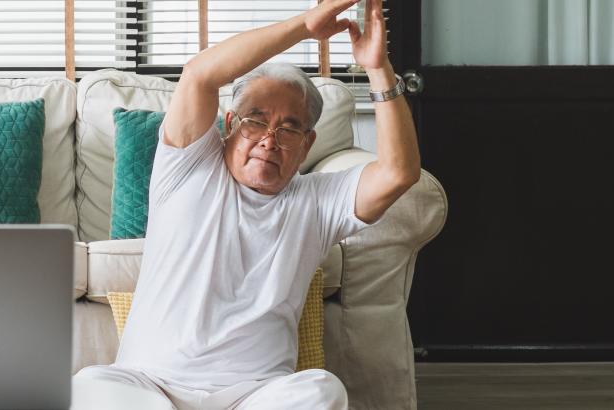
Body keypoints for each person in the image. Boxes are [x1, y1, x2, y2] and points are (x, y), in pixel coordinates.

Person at [74, 0, 419, 408]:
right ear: (230, 124)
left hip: (257, 395)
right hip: (150, 388)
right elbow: (200, 73)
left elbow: (399, 173)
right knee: (91, 384)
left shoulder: (319, 201)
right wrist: (306, 26)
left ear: (307, 143)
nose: (269, 140)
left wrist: (378, 68)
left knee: (321, 390)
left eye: (289, 129)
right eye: (256, 121)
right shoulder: (187, 165)